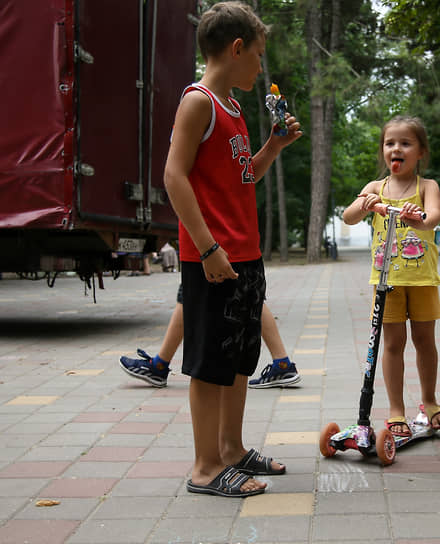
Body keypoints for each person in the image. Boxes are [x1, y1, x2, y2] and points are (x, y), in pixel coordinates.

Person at [163, 1, 302, 498]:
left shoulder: (235, 108)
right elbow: (173, 177)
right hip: (213, 258)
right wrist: (206, 248)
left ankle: (232, 451)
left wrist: (272, 147)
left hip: (244, 254)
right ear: (237, 48)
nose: (261, 68)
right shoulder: (198, 101)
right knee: (208, 362)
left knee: (240, 358)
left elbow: (245, 176)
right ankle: (204, 467)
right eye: (258, 55)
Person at [342, 115, 440, 437]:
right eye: (390, 143)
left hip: (422, 279)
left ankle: (428, 401)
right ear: (383, 151)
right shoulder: (376, 188)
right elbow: (347, 217)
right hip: (385, 282)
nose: (396, 149)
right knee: (392, 344)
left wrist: (418, 219)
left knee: (424, 341)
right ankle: (395, 409)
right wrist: (365, 206)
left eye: (405, 143)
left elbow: (433, 217)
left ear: (420, 152)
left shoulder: (426, 187)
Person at [119, 287, 300, 389]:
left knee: (191, 292)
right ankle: (282, 364)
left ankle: (158, 366)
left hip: (216, 237)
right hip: (234, 236)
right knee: (248, 293)